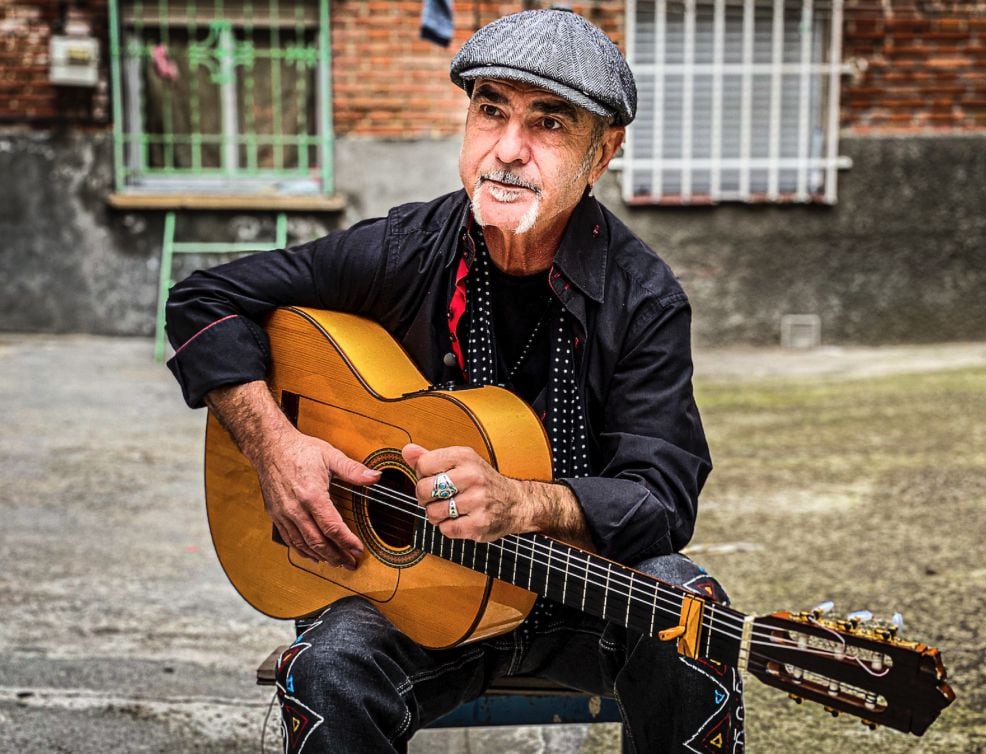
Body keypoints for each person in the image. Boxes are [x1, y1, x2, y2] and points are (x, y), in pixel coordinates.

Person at [166, 9, 744, 753]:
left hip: (574, 598)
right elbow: (203, 300)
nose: (507, 149)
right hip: (411, 595)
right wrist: (275, 445)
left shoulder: (644, 299)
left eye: (549, 123)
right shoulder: (404, 250)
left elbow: (661, 499)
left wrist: (527, 502)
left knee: (689, 612)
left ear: (603, 154)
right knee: (330, 667)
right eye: (490, 110)